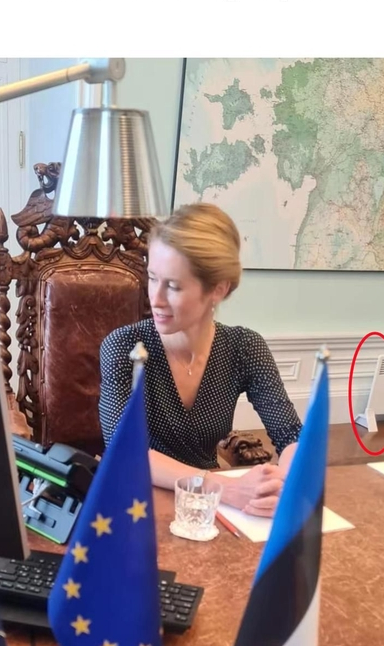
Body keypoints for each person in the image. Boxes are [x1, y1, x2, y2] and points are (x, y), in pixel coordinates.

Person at [99, 203, 301, 516]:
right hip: (137, 505)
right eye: (152, 278)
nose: (155, 299)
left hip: (211, 507)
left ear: (218, 289)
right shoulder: (124, 346)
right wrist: (224, 489)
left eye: (173, 286)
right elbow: (123, 451)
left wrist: (282, 485)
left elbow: (292, 436)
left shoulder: (244, 347)